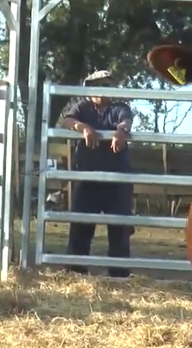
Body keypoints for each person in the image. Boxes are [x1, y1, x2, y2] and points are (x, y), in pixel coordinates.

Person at [61, 70, 135, 278]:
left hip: (117, 179)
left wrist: (121, 131)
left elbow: (126, 120)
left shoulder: (119, 108)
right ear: (89, 88)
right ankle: (75, 272)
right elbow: (67, 121)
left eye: (107, 84)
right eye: (98, 84)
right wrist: (83, 127)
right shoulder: (82, 107)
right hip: (87, 177)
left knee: (119, 229)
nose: (103, 89)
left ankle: (119, 275)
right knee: (81, 226)